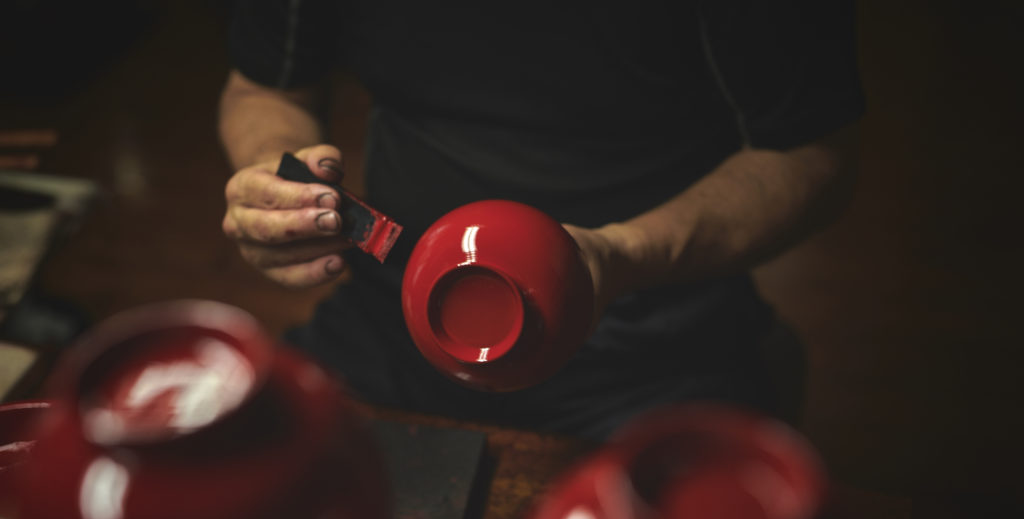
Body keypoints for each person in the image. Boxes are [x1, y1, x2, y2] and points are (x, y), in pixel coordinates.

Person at [218, 1, 864, 441]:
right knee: (251, 472)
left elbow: (813, 154)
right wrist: (276, 182)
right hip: (392, 315)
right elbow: (265, 87)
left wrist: (623, 255)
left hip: (658, 339)